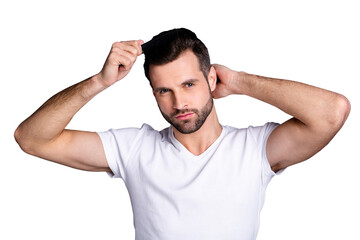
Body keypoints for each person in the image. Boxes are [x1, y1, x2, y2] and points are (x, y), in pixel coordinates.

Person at [14, 28, 351, 240]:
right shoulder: (133, 148)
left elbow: (332, 112)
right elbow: (31, 138)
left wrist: (241, 82)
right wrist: (99, 82)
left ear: (211, 80)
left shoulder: (255, 149)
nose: (179, 102)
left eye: (189, 84)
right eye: (164, 91)